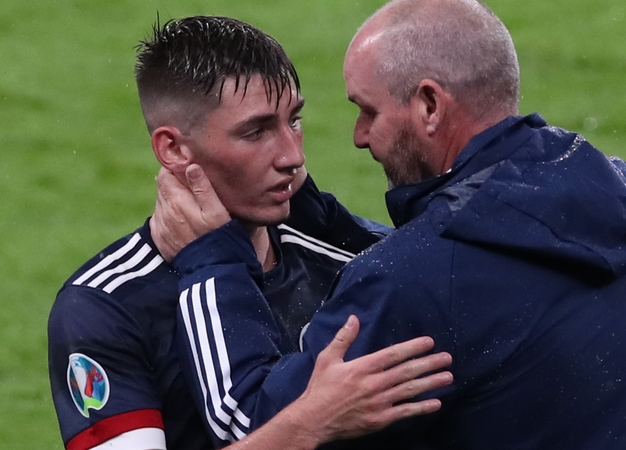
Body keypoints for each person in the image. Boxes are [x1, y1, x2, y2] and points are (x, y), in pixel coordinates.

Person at [162, 0, 626, 448]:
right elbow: (473, 252)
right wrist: (311, 209)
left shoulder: (416, 281)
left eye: (367, 110)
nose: (359, 136)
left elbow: (250, 418)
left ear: (430, 105)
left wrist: (212, 254)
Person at [47, 16, 452, 450]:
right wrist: (311, 422)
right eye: (256, 131)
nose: (293, 156)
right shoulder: (105, 307)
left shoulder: (343, 253)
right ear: (174, 149)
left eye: (294, 120)